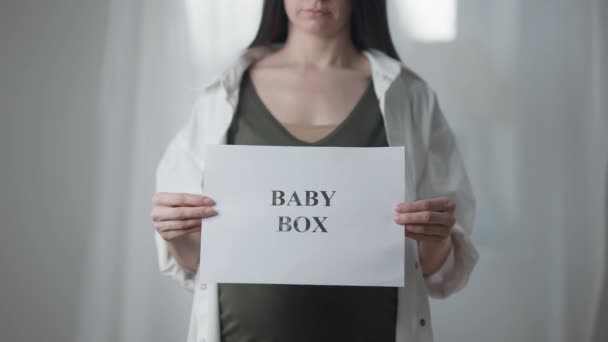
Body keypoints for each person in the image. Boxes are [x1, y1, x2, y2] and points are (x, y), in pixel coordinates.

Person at [150, 0, 478, 341]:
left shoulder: (411, 97)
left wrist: (436, 238)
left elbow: (439, 272)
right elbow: (193, 260)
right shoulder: (219, 96)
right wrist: (175, 232)